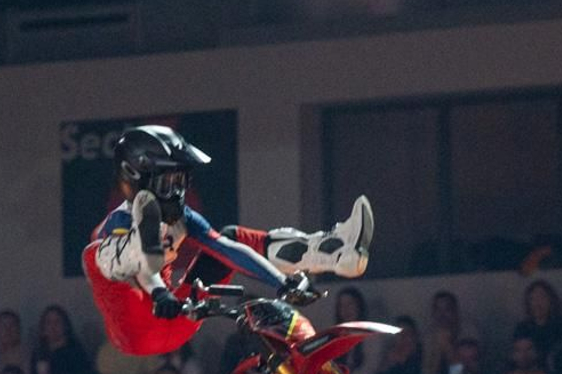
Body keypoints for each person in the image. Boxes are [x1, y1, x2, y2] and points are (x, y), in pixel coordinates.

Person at [84, 124, 371, 360]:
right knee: (95, 253)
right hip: (135, 327)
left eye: (181, 181)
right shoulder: (118, 223)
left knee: (229, 237)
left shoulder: (182, 216)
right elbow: (141, 271)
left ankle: (331, 253)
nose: (177, 192)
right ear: (135, 179)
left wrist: (282, 283)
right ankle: (132, 250)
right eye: (168, 182)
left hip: (175, 316)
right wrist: (159, 293)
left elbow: (228, 251)